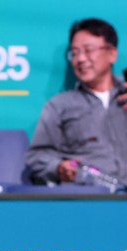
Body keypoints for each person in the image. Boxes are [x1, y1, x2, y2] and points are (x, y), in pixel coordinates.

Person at [25, 18, 127, 186]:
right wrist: (58, 168)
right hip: (89, 195)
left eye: (88, 50)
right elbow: (37, 156)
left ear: (112, 54)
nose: (80, 59)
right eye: (74, 53)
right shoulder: (59, 106)